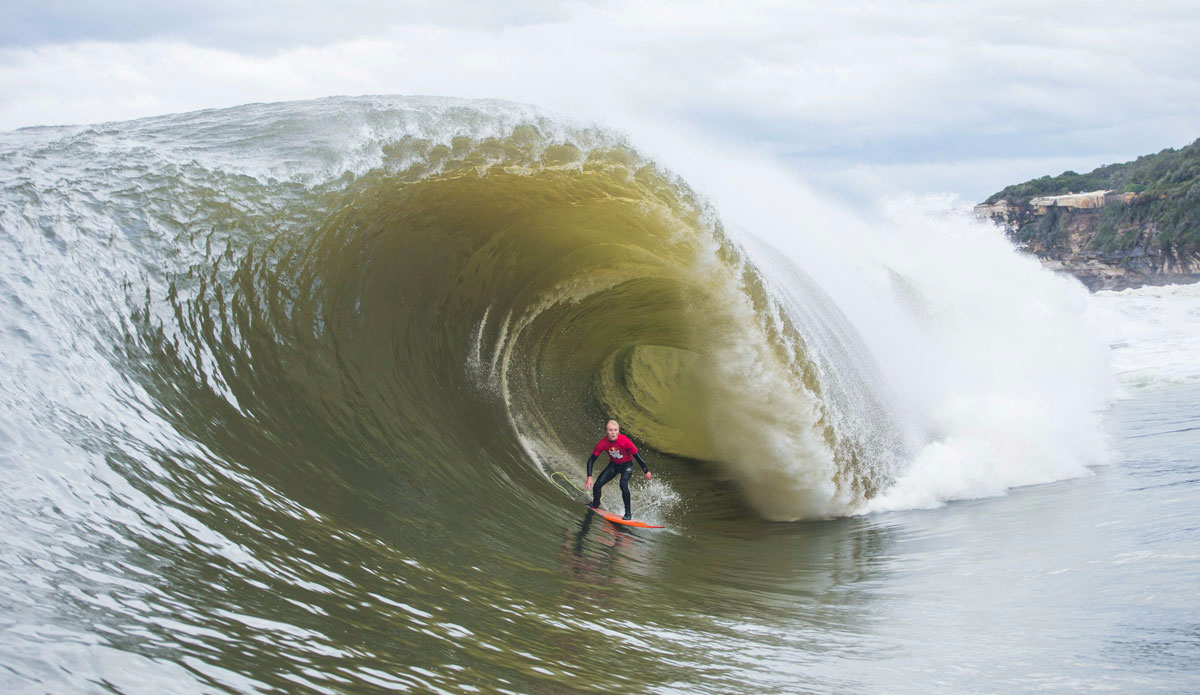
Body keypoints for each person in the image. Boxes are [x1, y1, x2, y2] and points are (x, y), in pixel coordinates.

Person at [584, 420, 651, 520]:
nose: (613, 432)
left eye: (615, 430)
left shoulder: (625, 440)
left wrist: (645, 471)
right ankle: (596, 503)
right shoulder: (603, 443)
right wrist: (589, 477)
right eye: (610, 430)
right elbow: (591, 460)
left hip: (627, 465)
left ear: (618, 431)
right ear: (606, 431)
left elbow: (637, 456)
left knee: (623, 484)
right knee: (597, 485)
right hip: (614, 465)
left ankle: (628, 513)